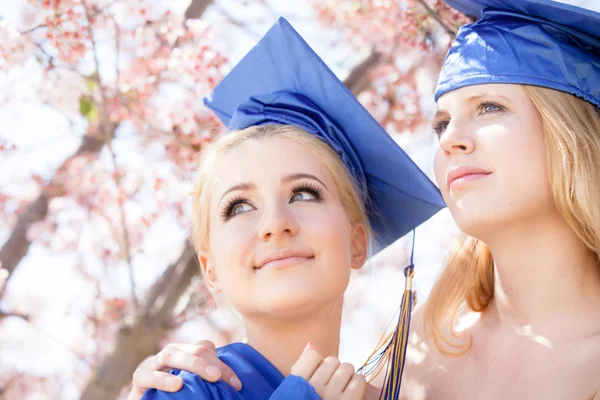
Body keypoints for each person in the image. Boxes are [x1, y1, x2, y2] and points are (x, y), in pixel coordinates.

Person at [131, 1, 600, 399]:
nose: (450, 139)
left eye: (489, 107)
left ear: (571, 134)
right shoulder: (408, 354)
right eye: (440, 124)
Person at [131, 17, 443, 400]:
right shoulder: (184, 391)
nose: (275, 224)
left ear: (357, 242)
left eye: (303, 194)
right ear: (211, 270)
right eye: (240, 206)